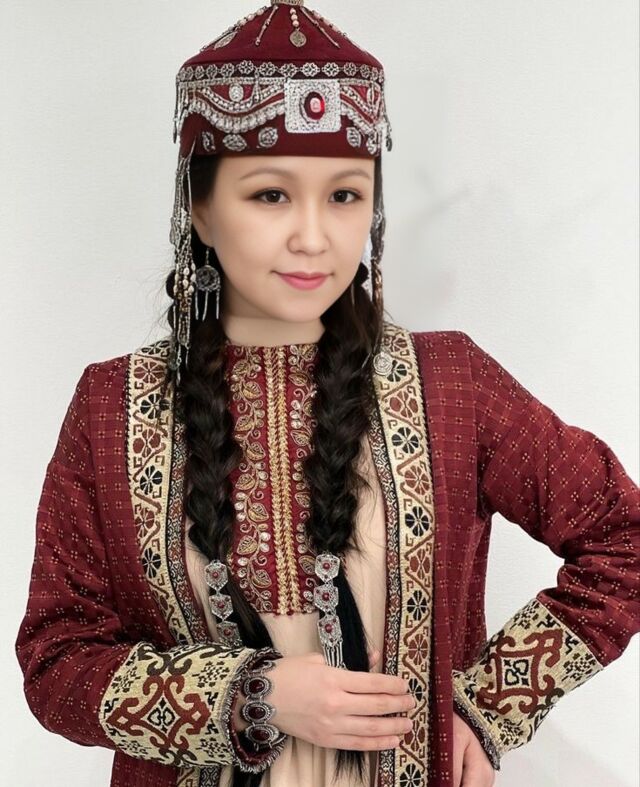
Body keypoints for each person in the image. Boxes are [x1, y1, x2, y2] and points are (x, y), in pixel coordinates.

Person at [14, 2, 640, 787]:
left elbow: (624, 535)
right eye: (270, 196)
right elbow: (56, 659)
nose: (313, 237)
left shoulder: (452, 385)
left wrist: (489, 704)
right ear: (199, 208)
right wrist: (251, 696)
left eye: (344, 196)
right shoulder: (114, 406)